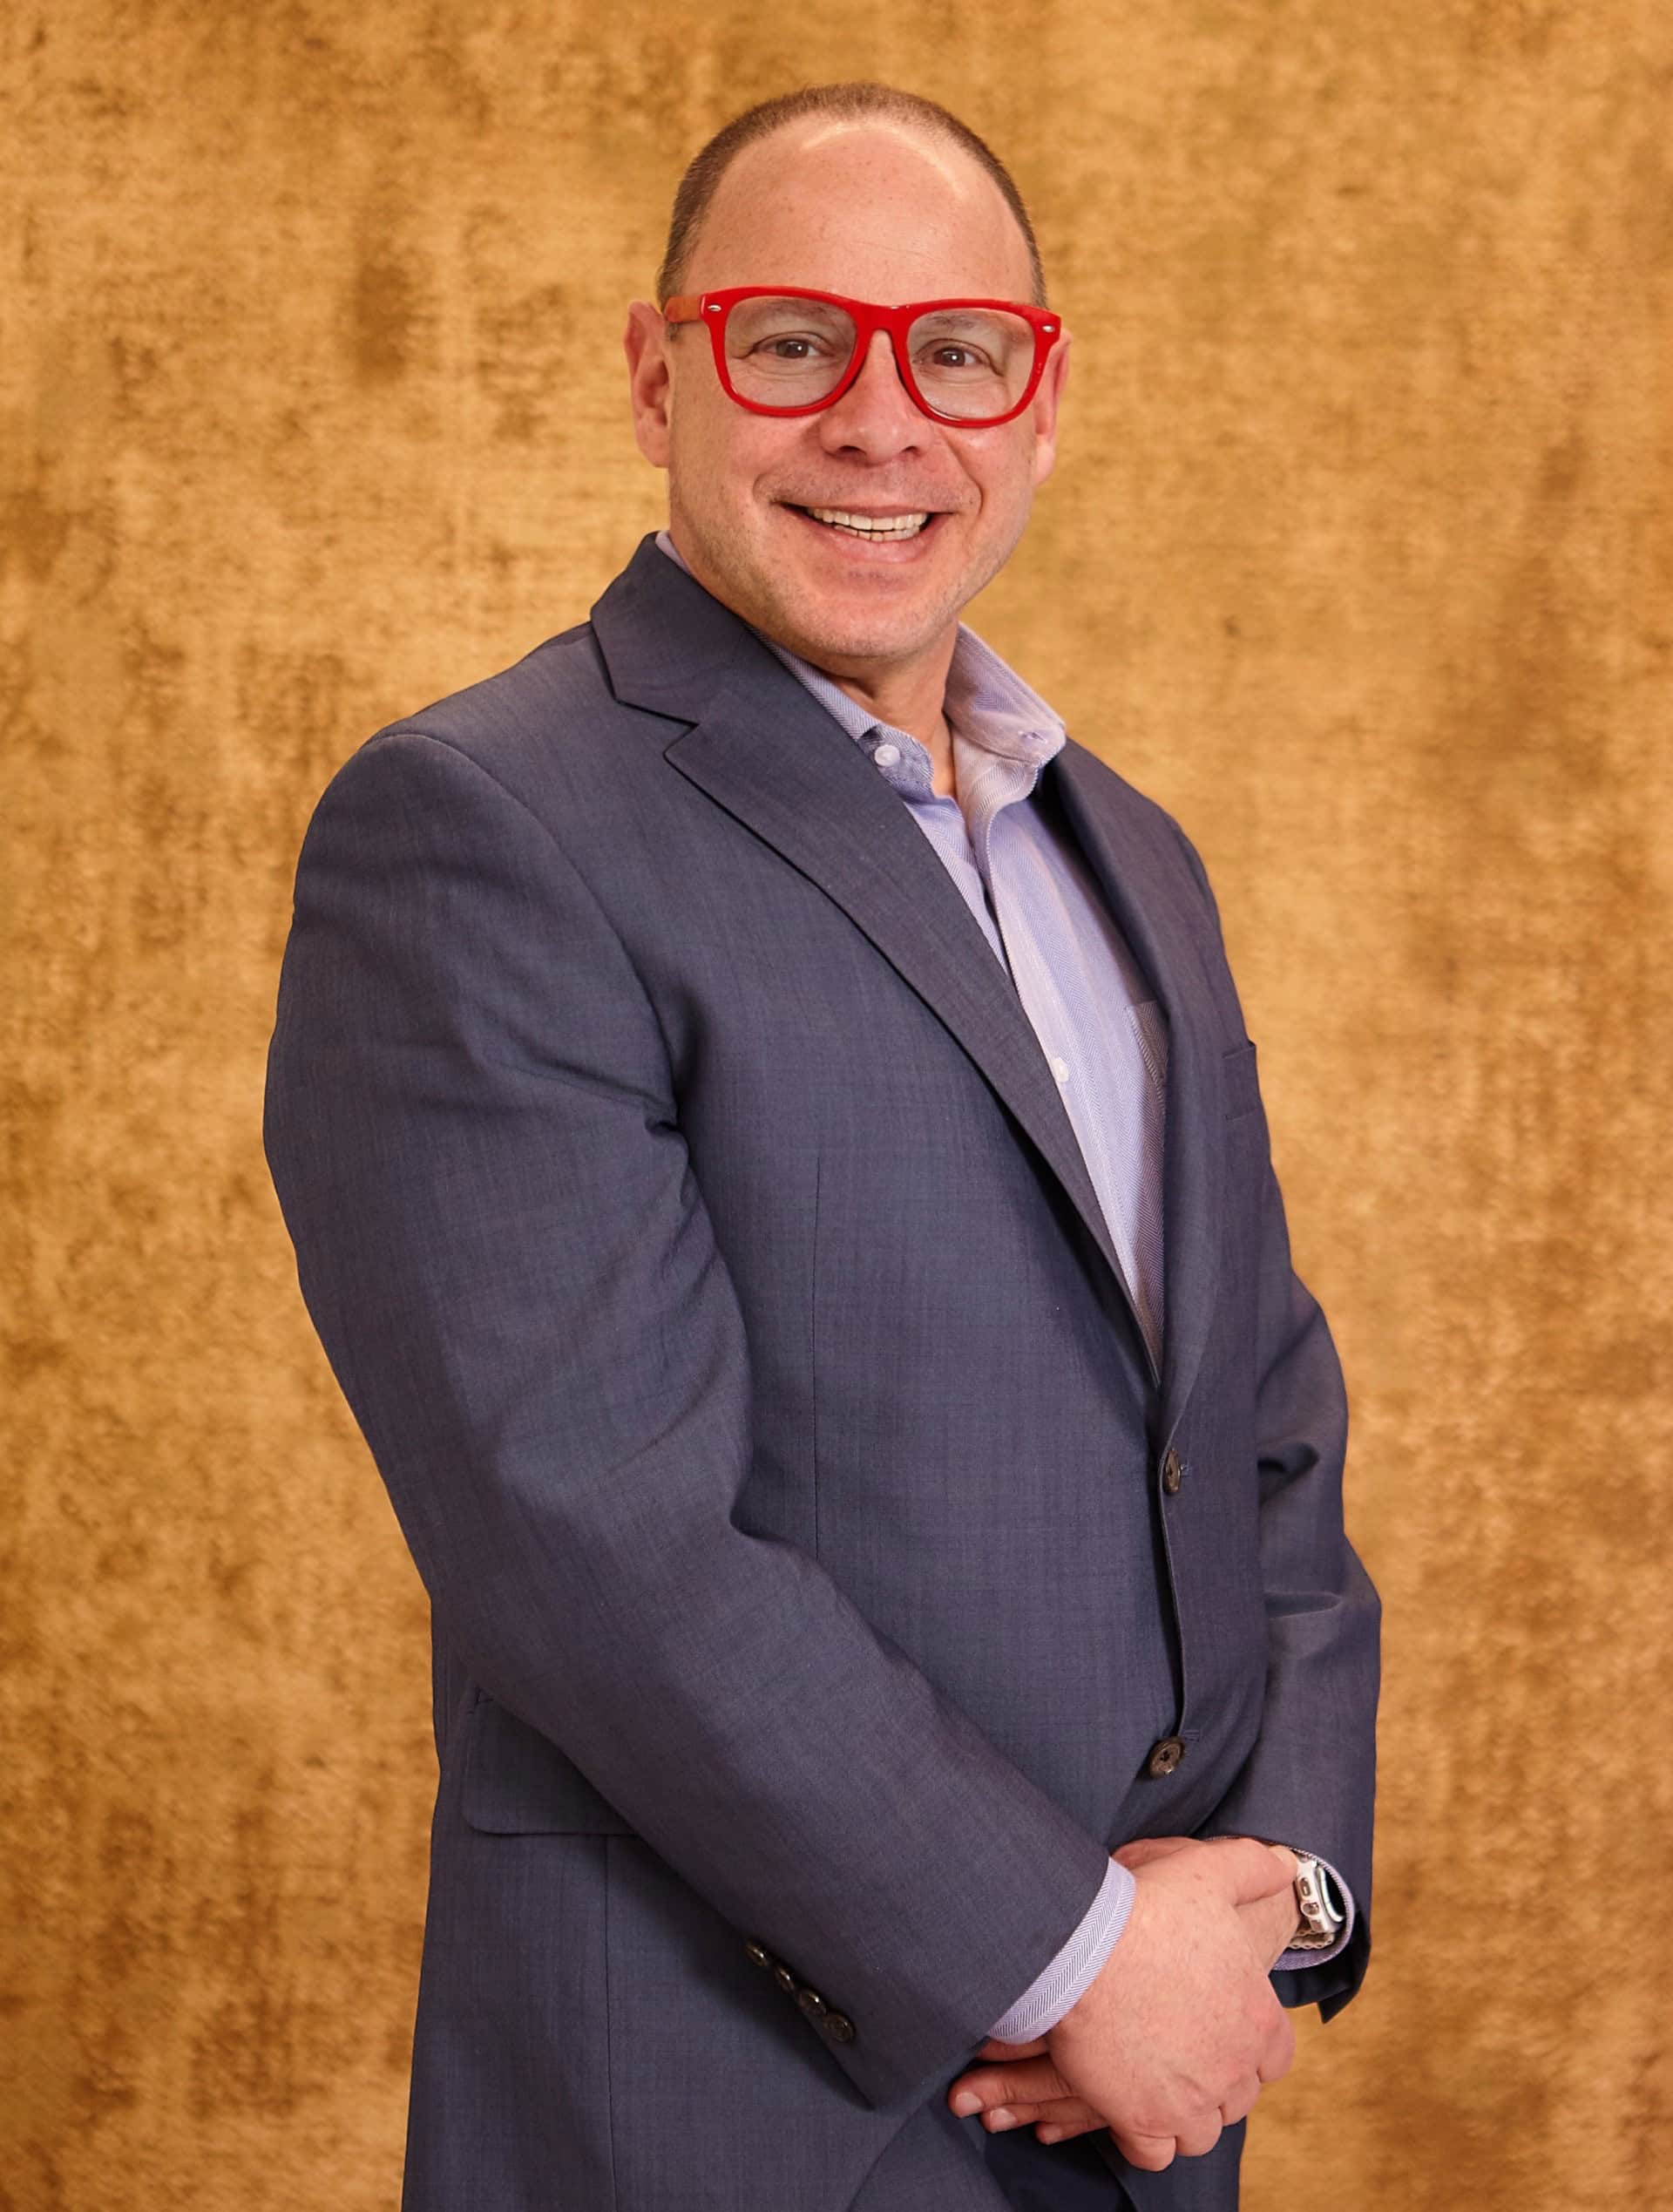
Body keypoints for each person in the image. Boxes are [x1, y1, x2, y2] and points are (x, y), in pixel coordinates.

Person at [263, 79, 1379, 2212]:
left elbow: (1257, 1430)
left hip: (1149, 2099)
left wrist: (1275, 1896)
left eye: (956, 351)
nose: (883, 424)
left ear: (1039, 405)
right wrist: (1072, 1952)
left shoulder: (1130, 854)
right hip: (725, 2117)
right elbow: (591, 1536)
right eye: (794, 342)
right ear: (657, 376)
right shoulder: (484, 829)